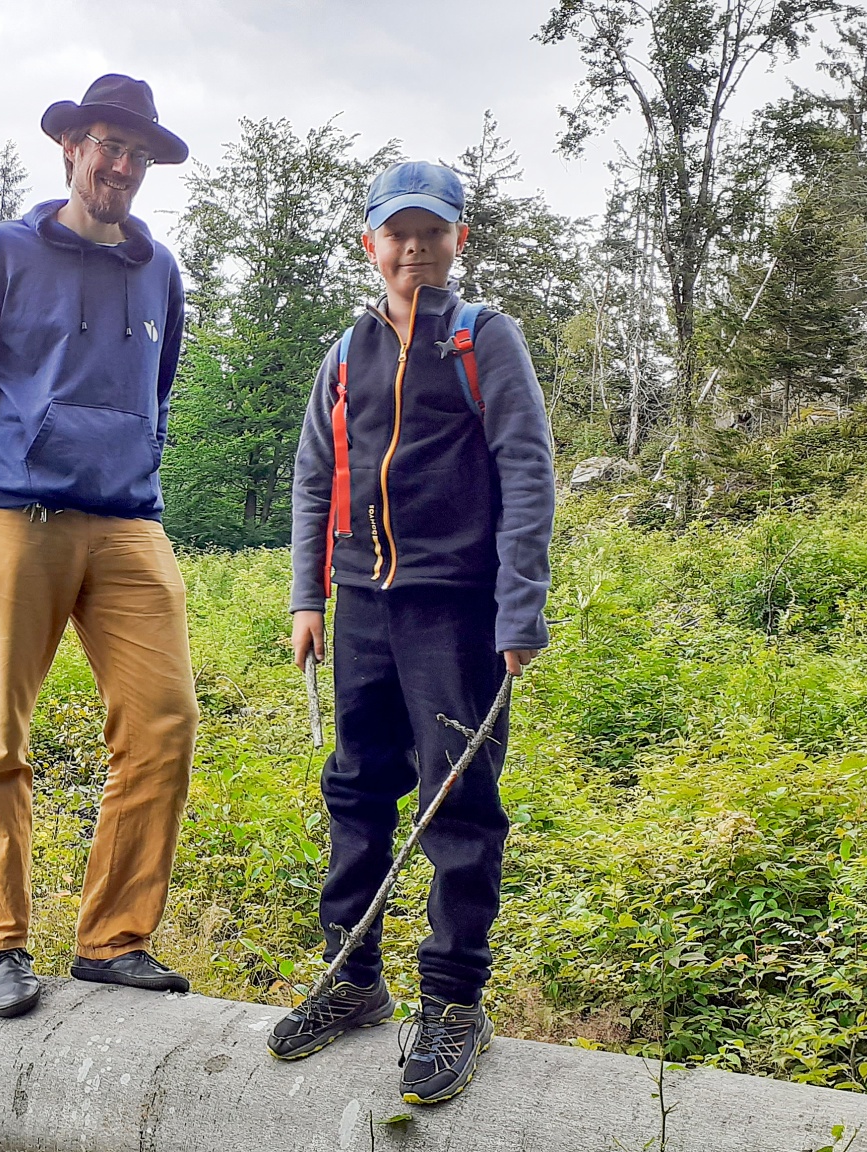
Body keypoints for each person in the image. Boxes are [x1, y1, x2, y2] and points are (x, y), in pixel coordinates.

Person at [268, 161, 556, 1105]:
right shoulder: (346, 352)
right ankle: (352, 980)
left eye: (433, 231)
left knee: (457, 801)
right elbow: (315, 475)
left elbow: (527, 471)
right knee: (356, 789)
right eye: (398, 233)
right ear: (371, 244)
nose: (415, 248)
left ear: (459, 240)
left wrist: (520, 608)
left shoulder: (483, 340)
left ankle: (454, 1000)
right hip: (362, 605)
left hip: (457, 609)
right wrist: (308, 598)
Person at [0, 74, 200, 1019]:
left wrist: (140, 465)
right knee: (0, 733)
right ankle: (2, 941)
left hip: (128, 522)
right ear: (72, 148)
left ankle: (113, 940)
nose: (121, 165)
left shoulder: (160, 272)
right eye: (107, 145)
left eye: (137, 153)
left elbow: (158, 394)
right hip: (16, 511)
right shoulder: (4, 253)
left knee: (164, 722)